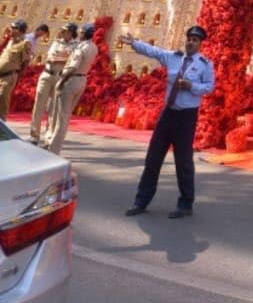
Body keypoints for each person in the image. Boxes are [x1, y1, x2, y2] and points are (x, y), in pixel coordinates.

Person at [120, 25, 215, 218]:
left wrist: (191, 86)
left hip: (186, 117)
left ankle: (185, 204)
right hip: (168, 114)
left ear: (200, 44)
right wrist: (134, 43)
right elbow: (154, 51)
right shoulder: (173, 57)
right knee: (153, 158)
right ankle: (141, 201)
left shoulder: (205, 65)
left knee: (183, 162)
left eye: (195, 40)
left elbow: (209, 87)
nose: (191, 42)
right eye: (189, 39)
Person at [45, 23, 98, 153]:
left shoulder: (80, 48)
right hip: (82, 79)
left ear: (84, 33)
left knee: (61, 117)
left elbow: (73, 67)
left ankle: (53, 149)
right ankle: (53, 144)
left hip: (71, 80)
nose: (79, 34)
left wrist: (62, 81)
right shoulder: (93, 47)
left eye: (81, 32)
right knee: (65, 116)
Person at [30, 22, 77, 145]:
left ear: (71, 32)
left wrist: (61, 57)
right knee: (38, 105)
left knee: (54, 109)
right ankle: (34, 135)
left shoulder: (76, 46)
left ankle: (48, 136)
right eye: (62, 30)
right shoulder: (56, 42)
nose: (62, 32)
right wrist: (64, 57)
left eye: (65, 31)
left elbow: (71, 62)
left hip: (60, 78)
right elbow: (50, 58)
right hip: (47, 74)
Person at [0, 19, 32, 119]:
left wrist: (18, 76)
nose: (12, 29)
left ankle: (2, 122)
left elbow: (26, 62)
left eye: (15, 28)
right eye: (12, 27)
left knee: (3, 98)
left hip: (9, 75)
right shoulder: (10, 41)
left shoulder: (25, 43)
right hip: (1, 74)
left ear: (21, 30)